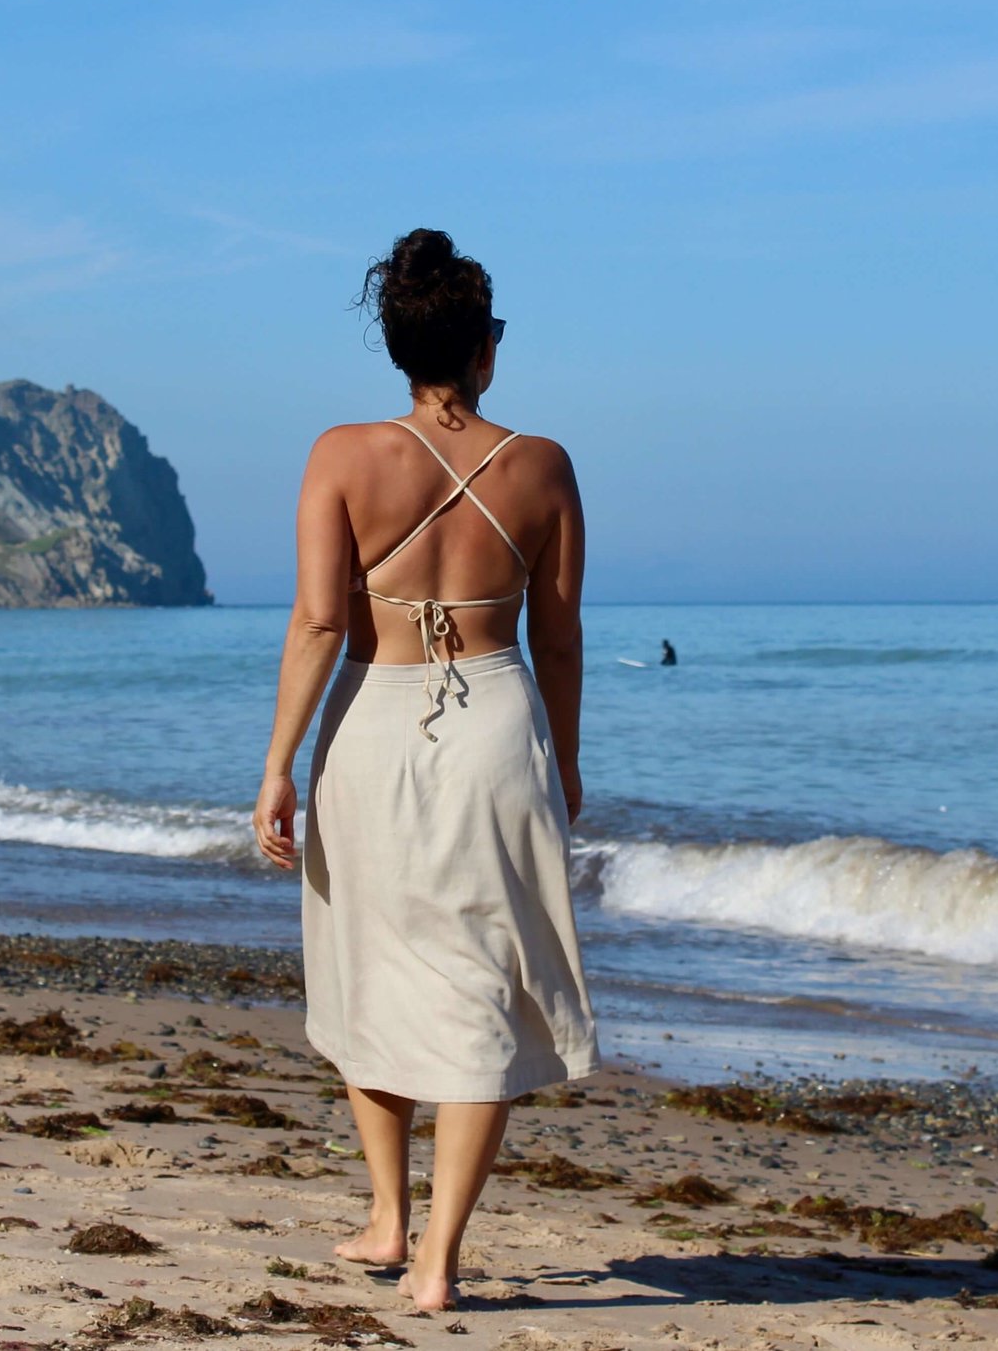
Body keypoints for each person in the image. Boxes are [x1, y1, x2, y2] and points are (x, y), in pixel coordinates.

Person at [255, 229, 599, 1313]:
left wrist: (275, 764)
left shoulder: (341, 454)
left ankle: (386, 1217)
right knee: (483, 981)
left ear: (399, 346)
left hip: (372, 725)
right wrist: (568, 757)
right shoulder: (542, 465)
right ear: (485, 349)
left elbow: (318, 621)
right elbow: (560, 637)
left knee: (368, 958)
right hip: (499, 726)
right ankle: (439, 1258)